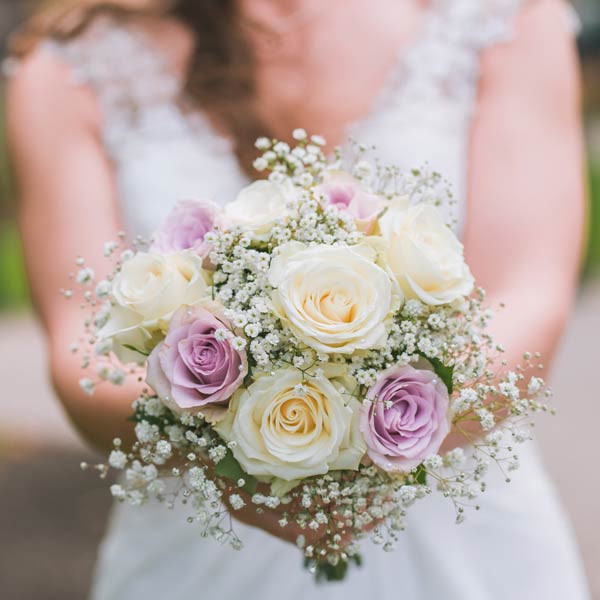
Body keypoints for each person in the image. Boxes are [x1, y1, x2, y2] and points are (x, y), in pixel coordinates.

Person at [5, 0, 592, 598]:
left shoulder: (502, 18)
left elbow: (529, 294)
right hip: (199, 558)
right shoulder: (71, 70)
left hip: (476, 552)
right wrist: (245, 456)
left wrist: (378, 440)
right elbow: (83, 351)